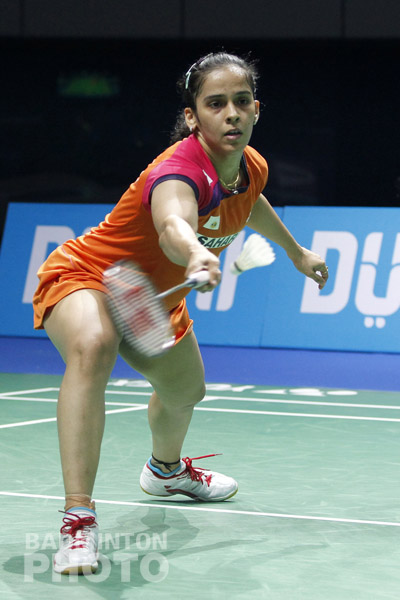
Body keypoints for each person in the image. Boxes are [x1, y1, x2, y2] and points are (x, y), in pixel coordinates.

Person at [33, 51, 329, 575]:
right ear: (193, 116)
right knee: (93, 346)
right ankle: (78, 519)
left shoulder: (250, 166)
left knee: (186, 392)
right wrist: (194, 252)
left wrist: (296, 252)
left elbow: (251, 202)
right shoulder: (177, 171)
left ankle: (165, 472)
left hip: (153, 299)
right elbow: (173, 223)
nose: (231, 113)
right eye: (216, 104)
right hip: (90, 276)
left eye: (241, 101)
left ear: (256, 109)